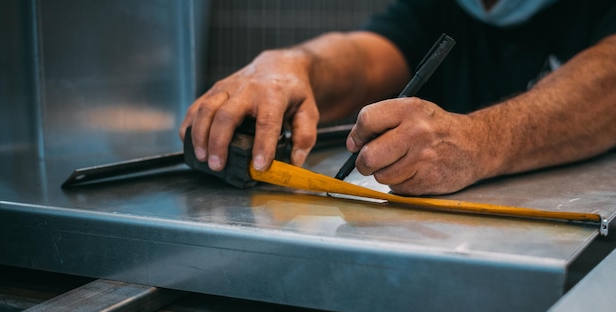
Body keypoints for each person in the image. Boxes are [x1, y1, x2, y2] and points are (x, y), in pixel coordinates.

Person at [179, 0, 616, 196]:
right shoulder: (446, 6)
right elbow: (368, 57)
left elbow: (607, 84)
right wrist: (294, 66)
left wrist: (481, 139)